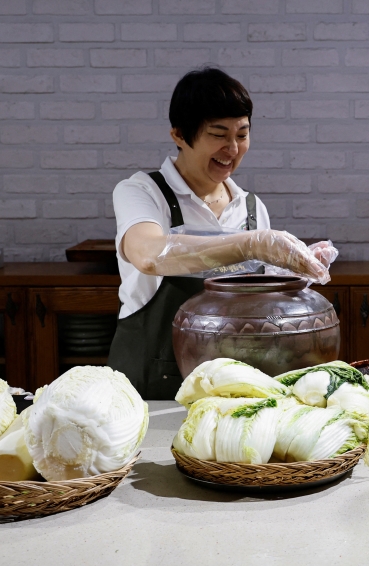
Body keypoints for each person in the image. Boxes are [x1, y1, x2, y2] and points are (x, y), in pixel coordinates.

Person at [108, 68, 332, 399]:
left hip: (230, 390)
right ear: (180, 135)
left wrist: (294, 269)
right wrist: (252, 245)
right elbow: (149, 255)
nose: (233, 148)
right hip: (150, 384)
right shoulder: (142, 191)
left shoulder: (251, 208)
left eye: (242, 135)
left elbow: (262, 306)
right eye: (218, 134)